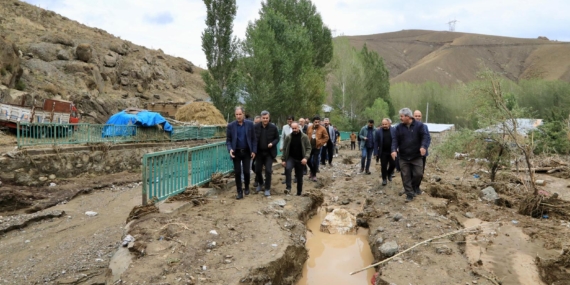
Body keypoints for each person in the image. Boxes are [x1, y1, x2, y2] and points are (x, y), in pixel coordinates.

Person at [391, 108, 430, 202]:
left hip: (416, 156)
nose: (400, 118)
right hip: (403, 156)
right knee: (405, 176)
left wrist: (423, 147)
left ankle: (412, 187)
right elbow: (395, 140)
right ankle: (409, 194)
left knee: (418, 174)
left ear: (407, 117)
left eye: (401, 116)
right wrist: (393, 150)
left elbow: (425, 137)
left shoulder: (419, 126)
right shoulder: (398, 127)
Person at [226, 107, 257, 200]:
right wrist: (230, 149)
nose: (238, 116)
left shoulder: (250, 124)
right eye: (237, 114)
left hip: (247, 151)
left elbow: (254, 139)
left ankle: (246, 186)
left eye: (240, 114)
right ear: (235, 115)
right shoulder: (231, 126)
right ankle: (239, 191)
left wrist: (254, 151)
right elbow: (228, 140)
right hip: (236, 152)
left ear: (243, 114)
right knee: (238, 172)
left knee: (247, 171)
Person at [254, 110, 280, 197]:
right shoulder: (256, 127)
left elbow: (277, 138)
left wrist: (272, 143)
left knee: (268, 171)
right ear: (261, 118)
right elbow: (253, 139)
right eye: (263, 118)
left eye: (267, 118)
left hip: (269, 153)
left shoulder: (273, 127)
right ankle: (261, 183)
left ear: (269, 118)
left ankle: (267, 188)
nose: (265, 120)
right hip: (259, 153)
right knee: (257, 170)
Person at [281, 122, 311, 196]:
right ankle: (288, 188)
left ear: (299, 127)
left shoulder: (304, 137)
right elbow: (285, 149)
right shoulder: (288, 137)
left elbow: (308, 148)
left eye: (295, 128)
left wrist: (306, 158)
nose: (294, 130)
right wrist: (283, 160)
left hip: (300, 158)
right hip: (291, 157)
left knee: (299, 175)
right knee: (287, 169)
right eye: (293, 128)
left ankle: (299, 192)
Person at [413, 110, 431, 193]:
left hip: (422, 153)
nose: (417, 117)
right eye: (416, 116)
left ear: (421, 117)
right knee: (412, 171)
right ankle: (410, 188)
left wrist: (424, 147)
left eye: (419, 116)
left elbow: (428, 138)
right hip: (412, 153)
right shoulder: (410, 126)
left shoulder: (425, 127)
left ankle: (417, 187)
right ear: (413, 116)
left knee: (420, 172)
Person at [374, 118, 396, 186]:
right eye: (383, 124)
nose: (384, 125)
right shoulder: (378, 131)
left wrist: (397, 148)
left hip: (392, 152)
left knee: (393, 164)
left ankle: (389, 173)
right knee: (383, 166)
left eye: (385, 124)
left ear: (389, 123)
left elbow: (396, 140)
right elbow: (376, 142)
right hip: (383, 152)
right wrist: (376, 152)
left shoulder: (394, 130)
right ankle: (384, 179)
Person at [307, 115, 329, 181]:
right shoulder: (309, 128)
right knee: (308, 160)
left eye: (318, 122)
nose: (317, 123)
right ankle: (312, 170)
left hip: (317, 147)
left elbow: (326, 137)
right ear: (313, 122)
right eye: (315, 122)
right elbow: (306, 135)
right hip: (309, 147)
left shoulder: (322, 129)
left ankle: (314, 175)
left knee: (315, 161)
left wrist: (321, 143)